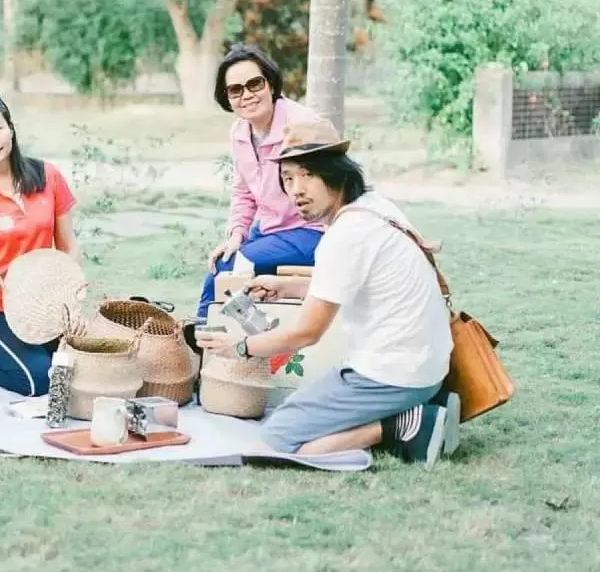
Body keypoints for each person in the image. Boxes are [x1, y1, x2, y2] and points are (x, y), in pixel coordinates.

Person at [195, 118, 460, 466]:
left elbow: (307, 332)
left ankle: (404, 424)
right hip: (428, 368)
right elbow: (355, 283)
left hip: (392, 375)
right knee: (304, 415)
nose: (296, 190)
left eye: (308, 174)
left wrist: (240, 347)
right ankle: (414, 411)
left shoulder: (344, 235)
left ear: (335, 172)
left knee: (277, 438)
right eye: (288, 178)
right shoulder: (375, 207)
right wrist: (288, 285)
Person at [0, 91, 80, 397]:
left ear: (11, 128)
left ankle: (5, 354)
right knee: (40, 381)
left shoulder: (48, 176)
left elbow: (69, 247)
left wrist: (69, 294)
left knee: (72, 371)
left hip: (42, 307)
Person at [197, 44, 326, 320]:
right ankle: (251, 343)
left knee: (226, 272)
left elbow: (331, 189)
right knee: (223, 263)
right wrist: (236, 236)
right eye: (235, 90)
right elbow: (244, 192)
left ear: (270, 82)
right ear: (227, 97)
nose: (247, 95)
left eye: (254, 84)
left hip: (313, 231)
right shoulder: (240, 132)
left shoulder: (302, 124)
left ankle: (201, 340)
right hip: (270, 231)